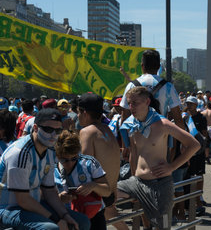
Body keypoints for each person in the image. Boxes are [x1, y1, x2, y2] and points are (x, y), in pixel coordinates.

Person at [118, 86, 200, 230]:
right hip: (136, 182)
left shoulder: (162, 124)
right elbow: (134, 154)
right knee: (105, 194)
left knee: (162, 227)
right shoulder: (131, 124)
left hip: (159, 185)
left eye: (135, 103)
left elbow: (194, 144)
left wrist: (172, 167)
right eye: (129, 103)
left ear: (147, 102)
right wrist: (132, 178)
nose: (131, 107)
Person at [0, 108, 90, 230]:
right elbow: (22, 200)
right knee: (50, 228)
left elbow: (49, 191)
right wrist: (56, 219)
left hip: (33, 203)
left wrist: (65, 215)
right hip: (9, 208)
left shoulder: (50, 150)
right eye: (48, 130)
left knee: (82, 221)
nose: (54, 135)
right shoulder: (20, 153)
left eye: (58, 130)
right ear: (35, 128)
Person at [77, 93, 122, 230]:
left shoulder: (87, 132)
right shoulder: (107, 130)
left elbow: (85, 168)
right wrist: (112, 190)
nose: (77, 116)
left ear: (84, 113)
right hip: (109, 192)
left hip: (95, 194)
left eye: (78, 112)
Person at [55, 130, 111, 230]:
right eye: (64, 160)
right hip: (66, 217)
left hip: (94, 214)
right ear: (57, 155)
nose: (70, 163)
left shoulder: (89, 163)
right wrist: (59, 198)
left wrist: (93, 186)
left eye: (74, 158)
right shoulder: (50, 167)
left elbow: (107, 191)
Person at [120, 49, 184, 130]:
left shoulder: (132, 85)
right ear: (158, 67)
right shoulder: (168, 86)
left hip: (137, 137)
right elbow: (177, 118)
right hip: (160, 136)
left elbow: (124, 116)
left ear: (142, 66)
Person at [183, 96, 208, 216]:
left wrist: (204, 149)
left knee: (199, 174)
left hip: (199, 151)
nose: (189, 105)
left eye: (191, 104)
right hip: (187, 151)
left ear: (196, 105)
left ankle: (200, 196)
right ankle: (193, 200)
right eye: (187, 103)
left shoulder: (201, 117)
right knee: (189, 175)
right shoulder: (184, 117)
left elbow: (204, 134)